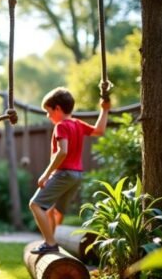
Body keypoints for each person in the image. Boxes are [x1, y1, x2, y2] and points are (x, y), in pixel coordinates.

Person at [29, 87, 110, 254]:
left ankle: (50, 243)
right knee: (54, 210)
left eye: (48, 111)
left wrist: (46, 174)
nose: (48, 115)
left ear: (57, 108)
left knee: (35, 204)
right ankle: (50, 239)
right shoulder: (77, 124)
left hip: (64, 172)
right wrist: (105, 110)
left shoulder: (61, 126)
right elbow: (99, 130)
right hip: (77, 175)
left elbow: (63, 151)